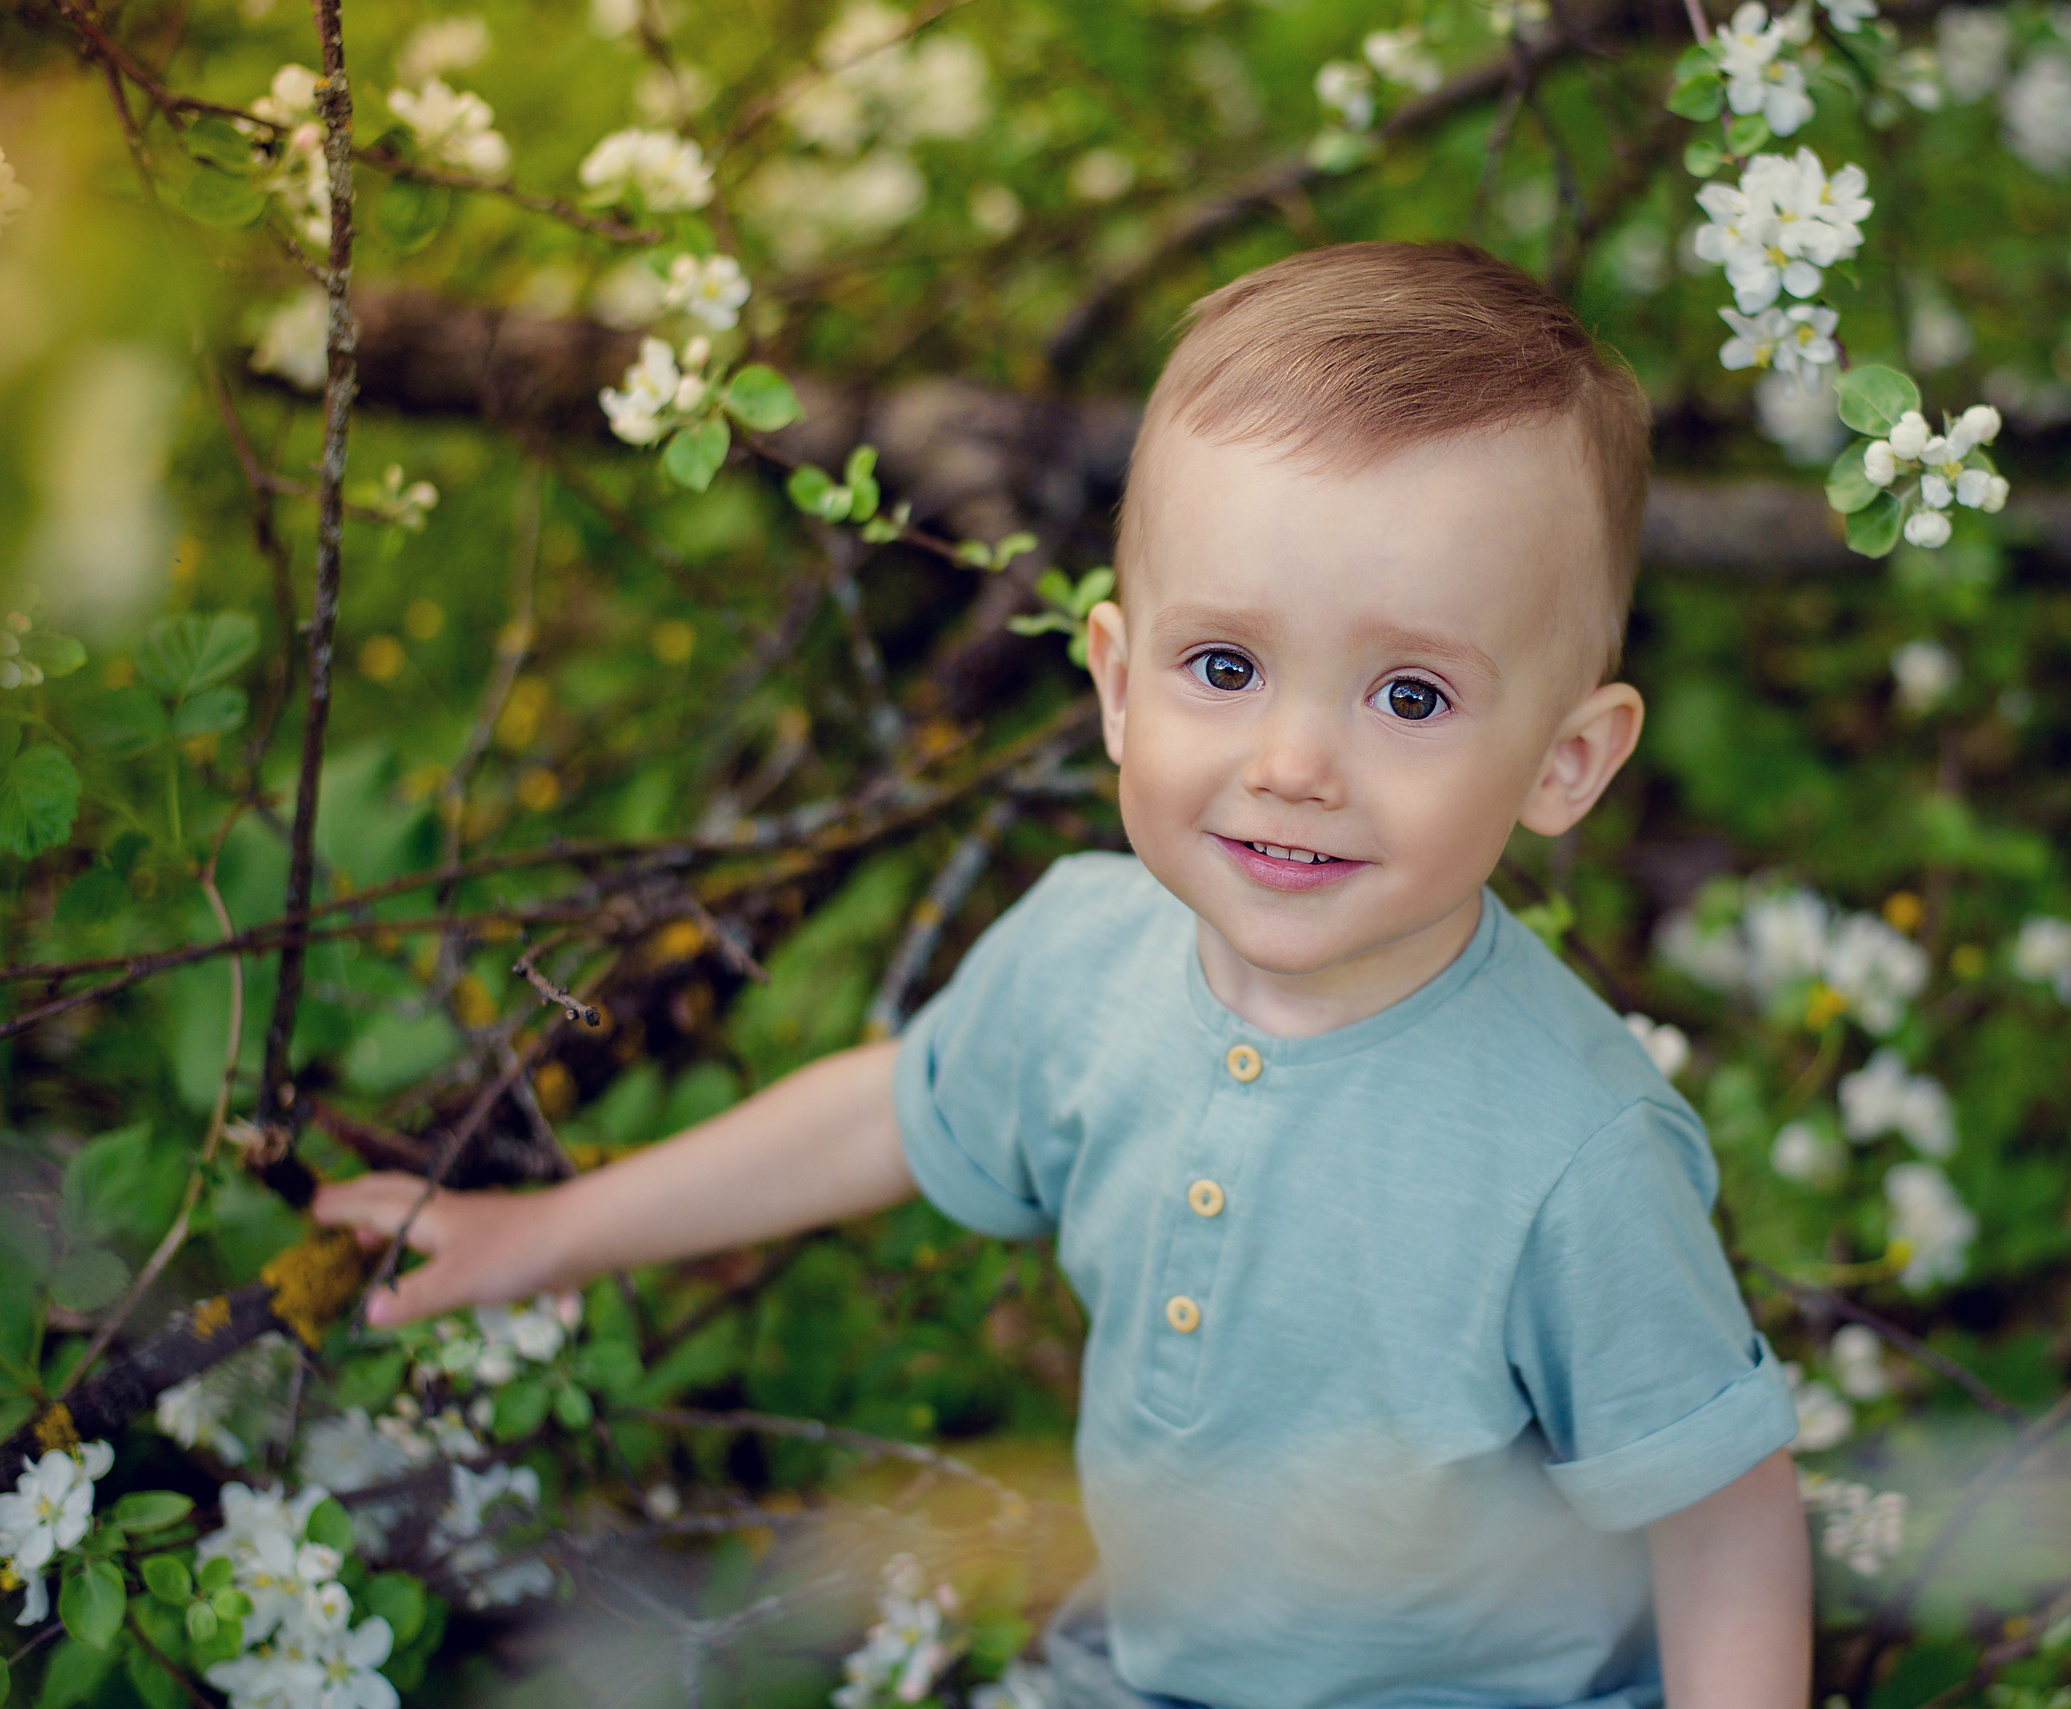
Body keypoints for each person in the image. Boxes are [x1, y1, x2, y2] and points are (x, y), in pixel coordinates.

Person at [316, 242, 1809, 1709]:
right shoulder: (1086, 955)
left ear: (1565, 761)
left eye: (1409, 694)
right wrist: (538, 1234)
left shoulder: (1571, 1144)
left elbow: (1724, 1512)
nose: (1292, 766)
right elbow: (893, 1112)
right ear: (1112, 679)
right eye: (1224, 667)